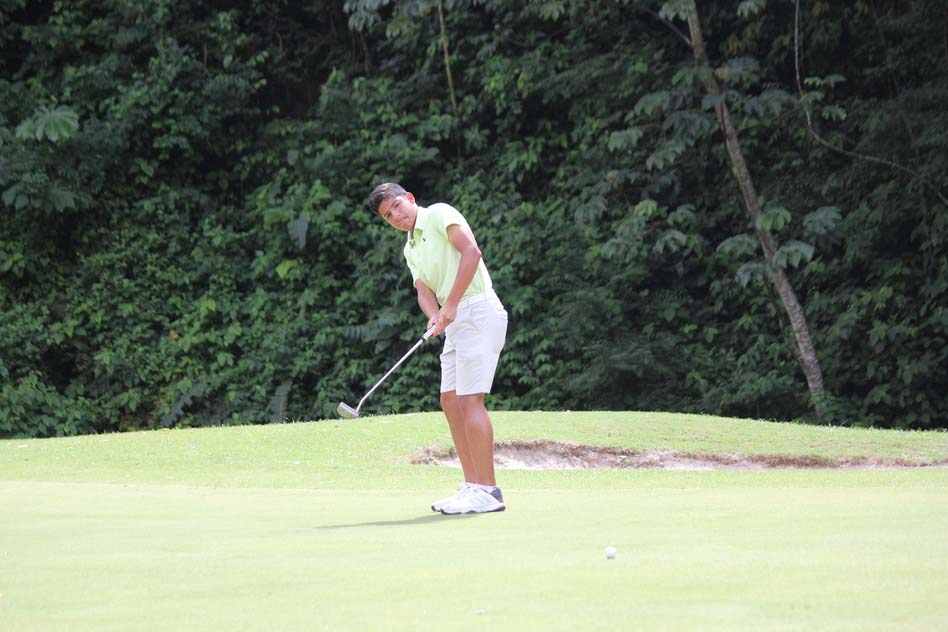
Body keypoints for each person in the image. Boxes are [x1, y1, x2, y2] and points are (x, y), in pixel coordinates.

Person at [369, 183, 508, 515]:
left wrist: (451, 305)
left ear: (410, 198)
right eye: (387, 216)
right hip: (456, 321)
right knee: (450, 400)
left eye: (397, 206)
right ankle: (473, 485)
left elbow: (472, 253)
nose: (395, 216)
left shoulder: (439, 214)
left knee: (469, 400)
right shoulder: (410, 248)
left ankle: (488, 491)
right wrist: (435, 316)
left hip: (478, 310)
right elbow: (423, 290)